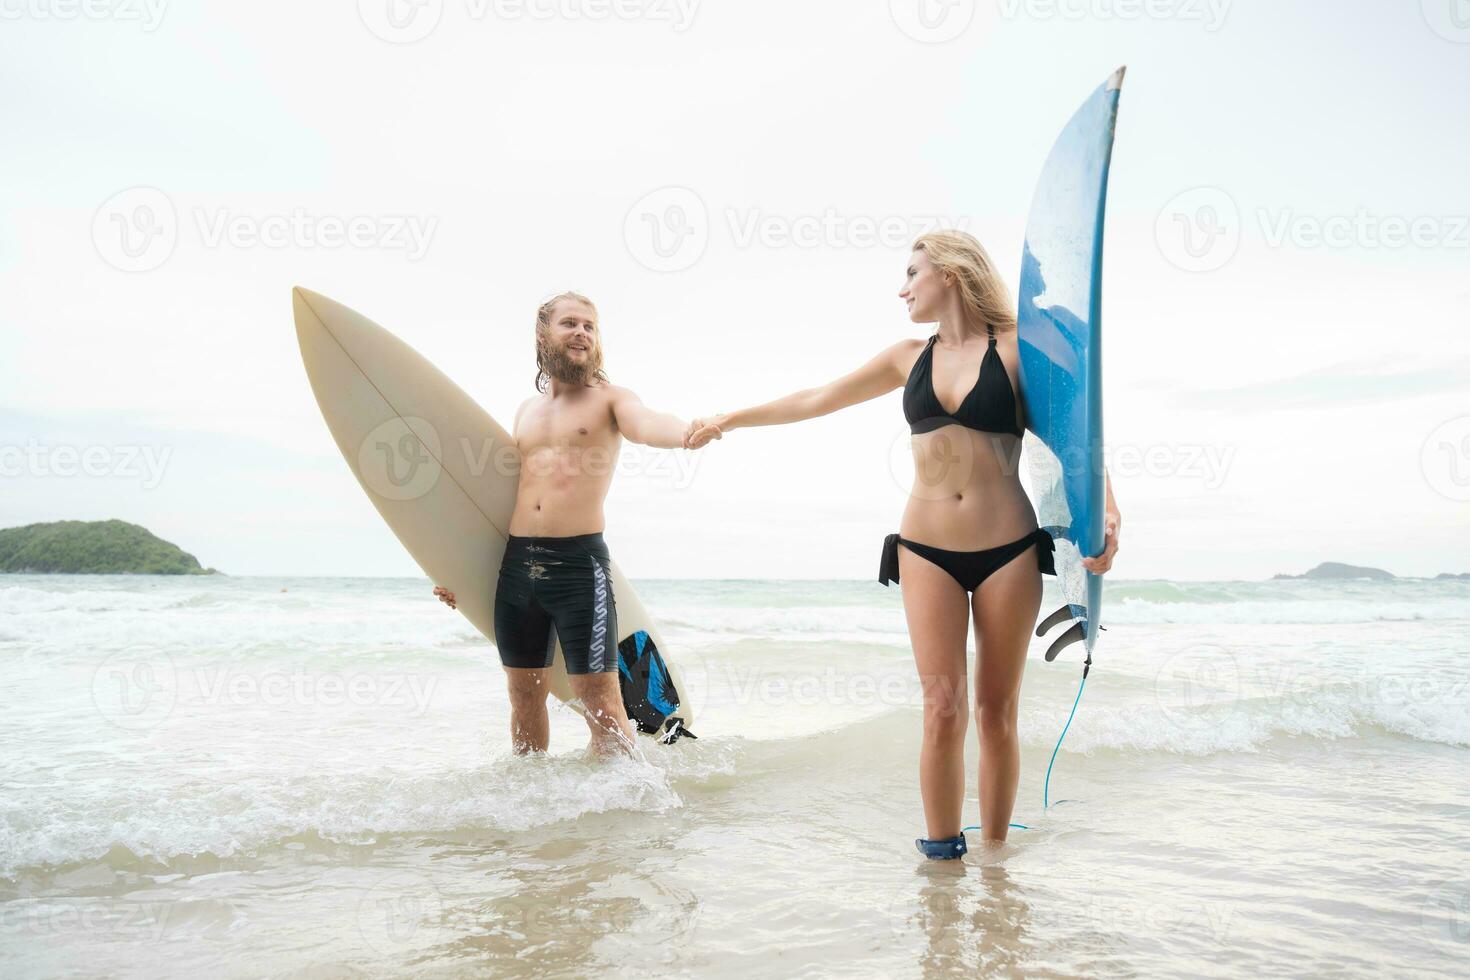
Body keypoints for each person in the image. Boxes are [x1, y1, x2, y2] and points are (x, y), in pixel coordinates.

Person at [687, 230, 1121, 857]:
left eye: (912, 272)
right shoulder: (906, 357)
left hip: (1009, 551)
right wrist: (731, 418)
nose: (903, 287)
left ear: (949, 272)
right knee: (942, 709)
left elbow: (1080, 431)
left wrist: (1107, 511)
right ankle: (942, 862)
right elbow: (818, 398)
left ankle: (997, 864)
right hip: (925, 550)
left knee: (996, 713)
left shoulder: (1020, 351)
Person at [434, 292, 706, 757]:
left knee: (600, 701)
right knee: (523, 698)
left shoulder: (612, 400)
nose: (582, 333)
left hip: (579, 567)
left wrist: (683, 433)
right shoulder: (525, 411)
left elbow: (646, 423)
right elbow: (492, 502)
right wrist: (457, 574)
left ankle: (622, 809)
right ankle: (531, 803)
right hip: (517, 567)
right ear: (544, 334)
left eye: (590, 326)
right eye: (570, 324)